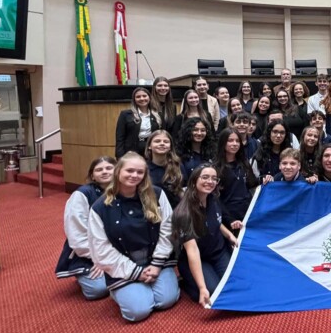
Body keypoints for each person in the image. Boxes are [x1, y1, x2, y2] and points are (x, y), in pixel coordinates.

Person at [88, 153, 180, 322]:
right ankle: (121, 292)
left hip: (155, 259)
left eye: (140, 172)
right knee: (138, 312)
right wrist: (135, 272)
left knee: (166, 300)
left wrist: (157, 264)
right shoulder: (100, 207)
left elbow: (168, 230)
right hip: (123, 265)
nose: (134, 175)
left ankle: (144, 287)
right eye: (129, 170)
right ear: (118, 172)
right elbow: (101, 248)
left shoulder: (158, 194)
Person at [172, 165, 236, 306]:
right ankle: (188, 282)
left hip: (218, 252)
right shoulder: (184, 212)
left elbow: (216, 221)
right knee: (212, 291)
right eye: (205, 177)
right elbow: (192, 250)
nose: (210, 181)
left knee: (233, 284)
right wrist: (202, 287)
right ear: (194, 180)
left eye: (214, 178)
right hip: (199, 258)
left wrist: (229, 235)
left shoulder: (212, 198)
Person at [55, 156, 116, 300]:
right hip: (90, 253)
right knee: (98, 289)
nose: (104, 172)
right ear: (92, 176)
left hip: (117, 249)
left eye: (109, 168)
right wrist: (101, 259)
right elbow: (76, 234)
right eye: (99, 170)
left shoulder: (125, 191)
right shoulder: (82, 195)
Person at [215, 128, 258, 230]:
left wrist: (264, 179)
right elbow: (215, 198)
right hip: (227, 217)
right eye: (230, 140)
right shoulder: (215, 167)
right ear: (223, 143)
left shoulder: (244, 163)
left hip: (247, 214)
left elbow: (252, 185)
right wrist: (229, 219)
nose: (234, 144)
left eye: (237, 141)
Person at [115, 87, 161, 158]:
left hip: (151, 149)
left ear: (149, 98)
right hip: (131, 150)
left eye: (144, 96)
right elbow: (120, 138)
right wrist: (120, 156)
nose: (142, 98)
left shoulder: (157, 115)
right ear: (134, 100)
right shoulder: (125, 114)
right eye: (138, 97)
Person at [144, 130, 183, 208]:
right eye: (157, 141)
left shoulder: (178, 166)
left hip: (176, 212)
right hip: (152, 211)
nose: (162, 143)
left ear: (170, 147)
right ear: (149, 146)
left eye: (166, 141)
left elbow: (183, 192)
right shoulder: (144, 168)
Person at [178, 116, 217, 181]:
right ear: (188, 131)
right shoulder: (180, 153)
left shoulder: (213, 152)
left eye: (203, 130)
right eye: (195, 130)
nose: (199, 133)